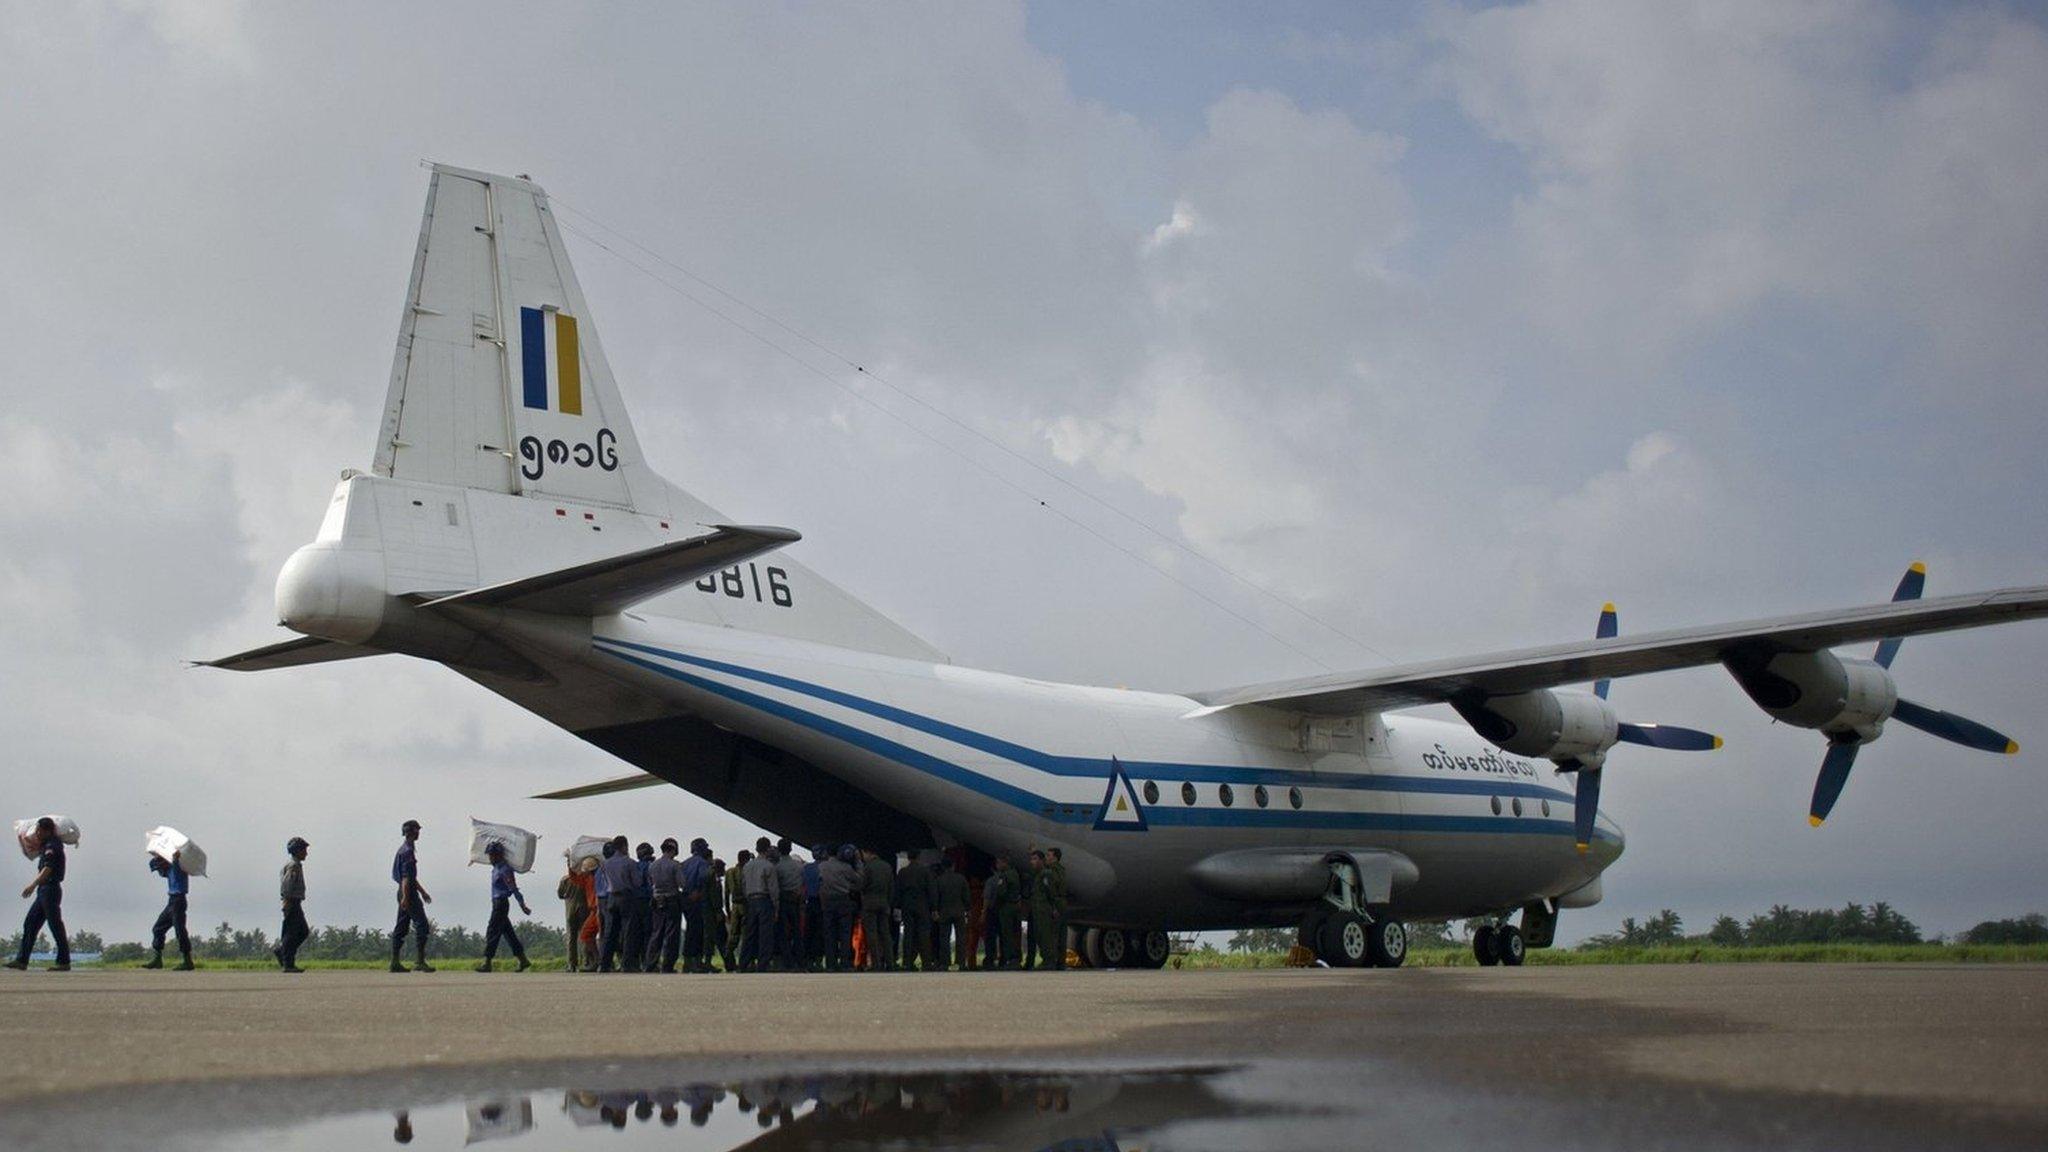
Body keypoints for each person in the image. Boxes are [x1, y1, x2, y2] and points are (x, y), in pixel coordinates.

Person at [7, 817, 70, 971]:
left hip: (50, 890)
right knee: (30, 923)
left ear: (46, 830)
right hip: (44, 891)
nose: (37, 833)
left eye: (39, 830)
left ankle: (64, 961)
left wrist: (32, 885)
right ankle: (22, 960)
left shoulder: (53, 846)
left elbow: (47, 869)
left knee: (55, 925)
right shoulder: (46, 845)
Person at [476, 841, 533, 972]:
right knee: (508, 933)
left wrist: (522, 904)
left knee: (492, 930)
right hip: (496, 903)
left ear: (498, 855)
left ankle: (487, 962)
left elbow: (513, 888)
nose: (490, 858)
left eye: (491, 855)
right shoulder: (495, 869)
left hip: (501, 904)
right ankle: (523, 960)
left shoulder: (505, 870)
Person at [388, 819, 434, 973]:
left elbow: (410, 878)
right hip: (407, 892)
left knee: (401, 926)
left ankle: (395, 962)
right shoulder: (407, 851)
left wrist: (423, 892)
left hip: (405, 890)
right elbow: (407, 878)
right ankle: (420, 961)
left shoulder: (404, 849)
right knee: (422, 925)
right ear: (410, 832)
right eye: (416, 830)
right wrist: (406, 898)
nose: (418, 833)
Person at [144, 850, 193, 970]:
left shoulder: (177, 866)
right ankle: (157, 959)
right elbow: (163, 871)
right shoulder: (169, 870)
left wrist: (175, 858)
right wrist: (156, 855)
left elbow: (174, 861)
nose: (160, 871)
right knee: (158, 929)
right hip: (172, 901)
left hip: (178, 901)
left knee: (180, 930)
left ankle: (187, 961)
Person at [598, 835, 639, 972]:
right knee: (628, 931)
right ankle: (626, 964)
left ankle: (604, 964)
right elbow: (637, 882)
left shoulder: (605, 864)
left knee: (610, 933)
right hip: (626, 897)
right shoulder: (630, 863)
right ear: (624, 846)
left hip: (611, 898)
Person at [644, 838, 684, 973]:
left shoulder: (652, 865)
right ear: (674, 849)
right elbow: (682, 884)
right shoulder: (675, 865)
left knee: (656, 933)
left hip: (656, 900)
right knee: (671, 934)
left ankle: (650, 964)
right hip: (672, 900)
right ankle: (667, 965)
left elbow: (650, 882)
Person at [740, 838, 779, 971]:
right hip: (764, 900)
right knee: (765, 934)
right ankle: (763, 964)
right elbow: (773, 889)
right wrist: (776, 907)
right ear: (768, 849)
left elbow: (744, 886)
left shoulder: (747, 866)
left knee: (749, 934)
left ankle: (744, 963)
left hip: (751, 900)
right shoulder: (769, 866)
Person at [818, 843, 858, 972]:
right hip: (843, 900)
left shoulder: (822, 866)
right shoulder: (846, 867)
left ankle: (831, 964)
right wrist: (858, 863)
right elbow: (858, 880)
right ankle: (845, 963)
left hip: (827, 902)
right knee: (845, 933)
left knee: (829, 934)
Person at [895, 850, 935, 971]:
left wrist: (897, 906)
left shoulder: (902, 872)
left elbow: (898, 891)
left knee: (908, 935)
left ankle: (907, 962)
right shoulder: (925, 871)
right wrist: (934, 907)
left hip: (907, 906)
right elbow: (931, 890)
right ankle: (926, 962)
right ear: (919, 857)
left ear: (908, 857)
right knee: (924, 934)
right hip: (923, 906)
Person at [857, 845, 895, 971]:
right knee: (885, 934)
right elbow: (891, 888)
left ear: (866, 852)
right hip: (884, 903)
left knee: (872, 934)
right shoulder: (887, 866)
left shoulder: (868, 867)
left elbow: (862, 885)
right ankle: (890, 963)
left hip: (869, 904)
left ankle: (876, 963)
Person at [275, 837, 310, 973]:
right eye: (304, 850)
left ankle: (282, 952)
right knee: (291, 933)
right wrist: (287, 900)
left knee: (302, 931)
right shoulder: (293, 866)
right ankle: (288, 963)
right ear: (297, 851)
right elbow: (287, 884)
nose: (306, 853)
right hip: (292, 901)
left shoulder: (295, 865)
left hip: (295, 901)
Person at [679, 838, 714, 972]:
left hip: (685, 897)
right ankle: (696, 961)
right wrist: (698, 891)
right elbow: (703, 878)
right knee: (697, 931)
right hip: (697, 898)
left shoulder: (685, 863)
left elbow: (680, 880)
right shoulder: (703, 863)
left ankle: (687, 962)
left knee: (689, 930)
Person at [932, 856, 970, 971]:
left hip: (944, 912)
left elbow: (935, 897)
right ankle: (960, 963)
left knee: (944, 938)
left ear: (943, 867)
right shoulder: (961, 879)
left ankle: (945, 963)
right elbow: (966, 896)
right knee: (961, 938)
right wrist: (968, 910)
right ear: (953, 866)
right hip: (959, 911)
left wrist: (935, 910)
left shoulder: (939, 880)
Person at [773, 838, 804, 971]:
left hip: (783, 899)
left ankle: (787, 962)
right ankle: (800, 961)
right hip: (796, 899)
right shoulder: (798, 866)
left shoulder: (777, 867)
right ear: (791, 849)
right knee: (797, 931)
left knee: (783, 932)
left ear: (779, 850)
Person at [558, 855, 593, 973]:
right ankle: (587, 961)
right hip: (584, 909)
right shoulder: (584, 878)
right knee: (584, 936)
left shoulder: (565, 880)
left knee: (571, 937)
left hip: (570, 910)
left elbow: (560, 895)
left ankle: (571, 964)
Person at [1028, 848, 1061, 971]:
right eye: (1031, 859)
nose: (1032, 862)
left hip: (1044, 910)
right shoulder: (1037, 875)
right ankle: (1046, 959)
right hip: (1038, 910)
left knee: (1046, 935)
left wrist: (1053, 908)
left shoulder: (1046, 874)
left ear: (1042, 861)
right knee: (1039, 935)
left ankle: (1049, 961)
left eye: (1035, 859)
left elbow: (1051, 892)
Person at [994, 855, 1024, 969]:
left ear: (1004, 863)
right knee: (1015, 933)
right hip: (1015, 906)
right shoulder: (1015, 873)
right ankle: (1016, 958)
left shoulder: (1004, 876)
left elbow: (1001, 893)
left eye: (998, 863)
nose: (997, 866)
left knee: (1007, 934)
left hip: (1006, 907)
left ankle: (1011, 959)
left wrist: (996, 904)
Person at [631, 842, 656, 971]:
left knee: (637, 933)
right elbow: (651, 885)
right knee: (648, 932)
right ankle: (648, 962)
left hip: (634, 902)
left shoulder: (634, 866)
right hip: (647, 901)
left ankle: (638, 962)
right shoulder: (650, 866)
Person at [801, 844, 826, 971]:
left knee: (809, 932)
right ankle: (818, 960)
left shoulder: (806, 868)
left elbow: (802, 887)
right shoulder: (825, 868)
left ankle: (808, 959)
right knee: (820, 932)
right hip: (822, 902)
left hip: (809, 902)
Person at [1045, 846, 1070, 971]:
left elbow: (1052, 889)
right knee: (1062, 934)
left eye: (1049, 856)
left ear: (1055, 857)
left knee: (1053, 934)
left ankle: (1051, 961)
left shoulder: (1051, 871)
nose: (1046, 858)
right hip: (1063, 902)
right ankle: (1061, 962)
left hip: (1055, 902)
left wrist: (1053, 907)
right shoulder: (1062, 870)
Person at [708, 857, 735, 972]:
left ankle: (730, 964)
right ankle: (730, 964)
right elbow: (716, 899)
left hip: (716, 912)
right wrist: (719, 912)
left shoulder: (716, 880)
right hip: (716, 913)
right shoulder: (715, 882)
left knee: (721, 940)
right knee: (722, 940)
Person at [727, 849, 751, 971]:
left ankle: (729, 962)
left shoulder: (729, 872)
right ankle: (745, 964)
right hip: (746, 906)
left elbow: (726, 893)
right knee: (746, 936)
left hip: (734, 907)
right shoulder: (747, 871)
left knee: (732, 937)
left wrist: (727, 910)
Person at [980, 863, 1005, 971]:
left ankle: (990, 959)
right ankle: (1003, 959)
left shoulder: (990, 881)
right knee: (1003, 936)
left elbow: (986, 897)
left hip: (992, 910)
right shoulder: (1005, 878)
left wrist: (983, 912)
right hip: (1003, 910)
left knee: (990, 937)